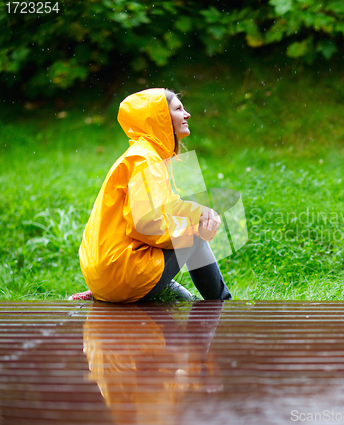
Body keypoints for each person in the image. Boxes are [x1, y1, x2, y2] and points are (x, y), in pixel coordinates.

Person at [70, 88, 231, 302]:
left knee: (183, 297)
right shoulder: (145, 159)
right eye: (178, 109)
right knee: (195, 236)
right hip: (121, 272)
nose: (187, 114)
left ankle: (183, 300)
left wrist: (200, 212)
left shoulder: (145, 155)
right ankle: (224, 304)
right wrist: (193, 228)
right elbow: (145, 225)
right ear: (161, 117)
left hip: (107, 272)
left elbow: (166, 207)